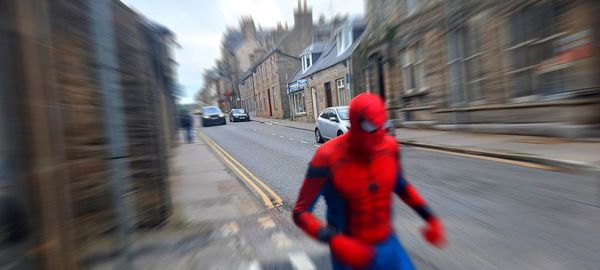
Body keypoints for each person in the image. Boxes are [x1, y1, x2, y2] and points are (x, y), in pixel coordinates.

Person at [292, 93, 445, 269]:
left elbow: (401, 186)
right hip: (349, 253)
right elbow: (300, 211)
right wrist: (333, 240)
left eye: (383, 126)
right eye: (371, 127)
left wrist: (430, 218)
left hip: (388, 246)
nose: (379, 135)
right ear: (356, 124)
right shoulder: (327, 157)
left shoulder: (389, 147)